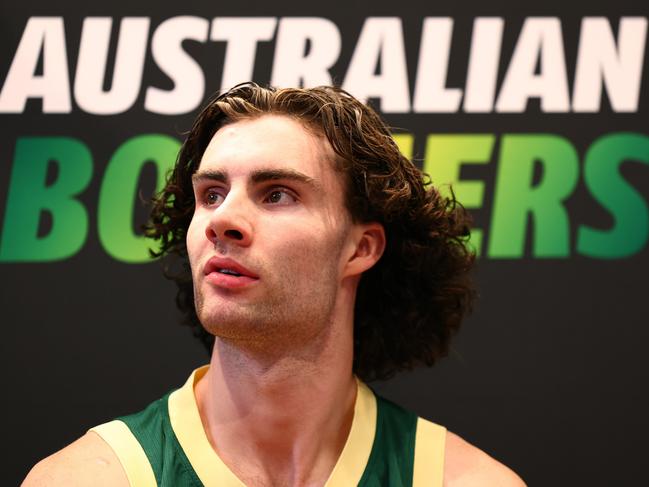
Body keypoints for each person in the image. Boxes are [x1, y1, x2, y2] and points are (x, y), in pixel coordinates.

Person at [23, 83, 525, 486]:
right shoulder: (83, 478)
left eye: (277, 194)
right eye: (212, 193)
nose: (223, 220)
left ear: (360, 248)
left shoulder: (468, 481)